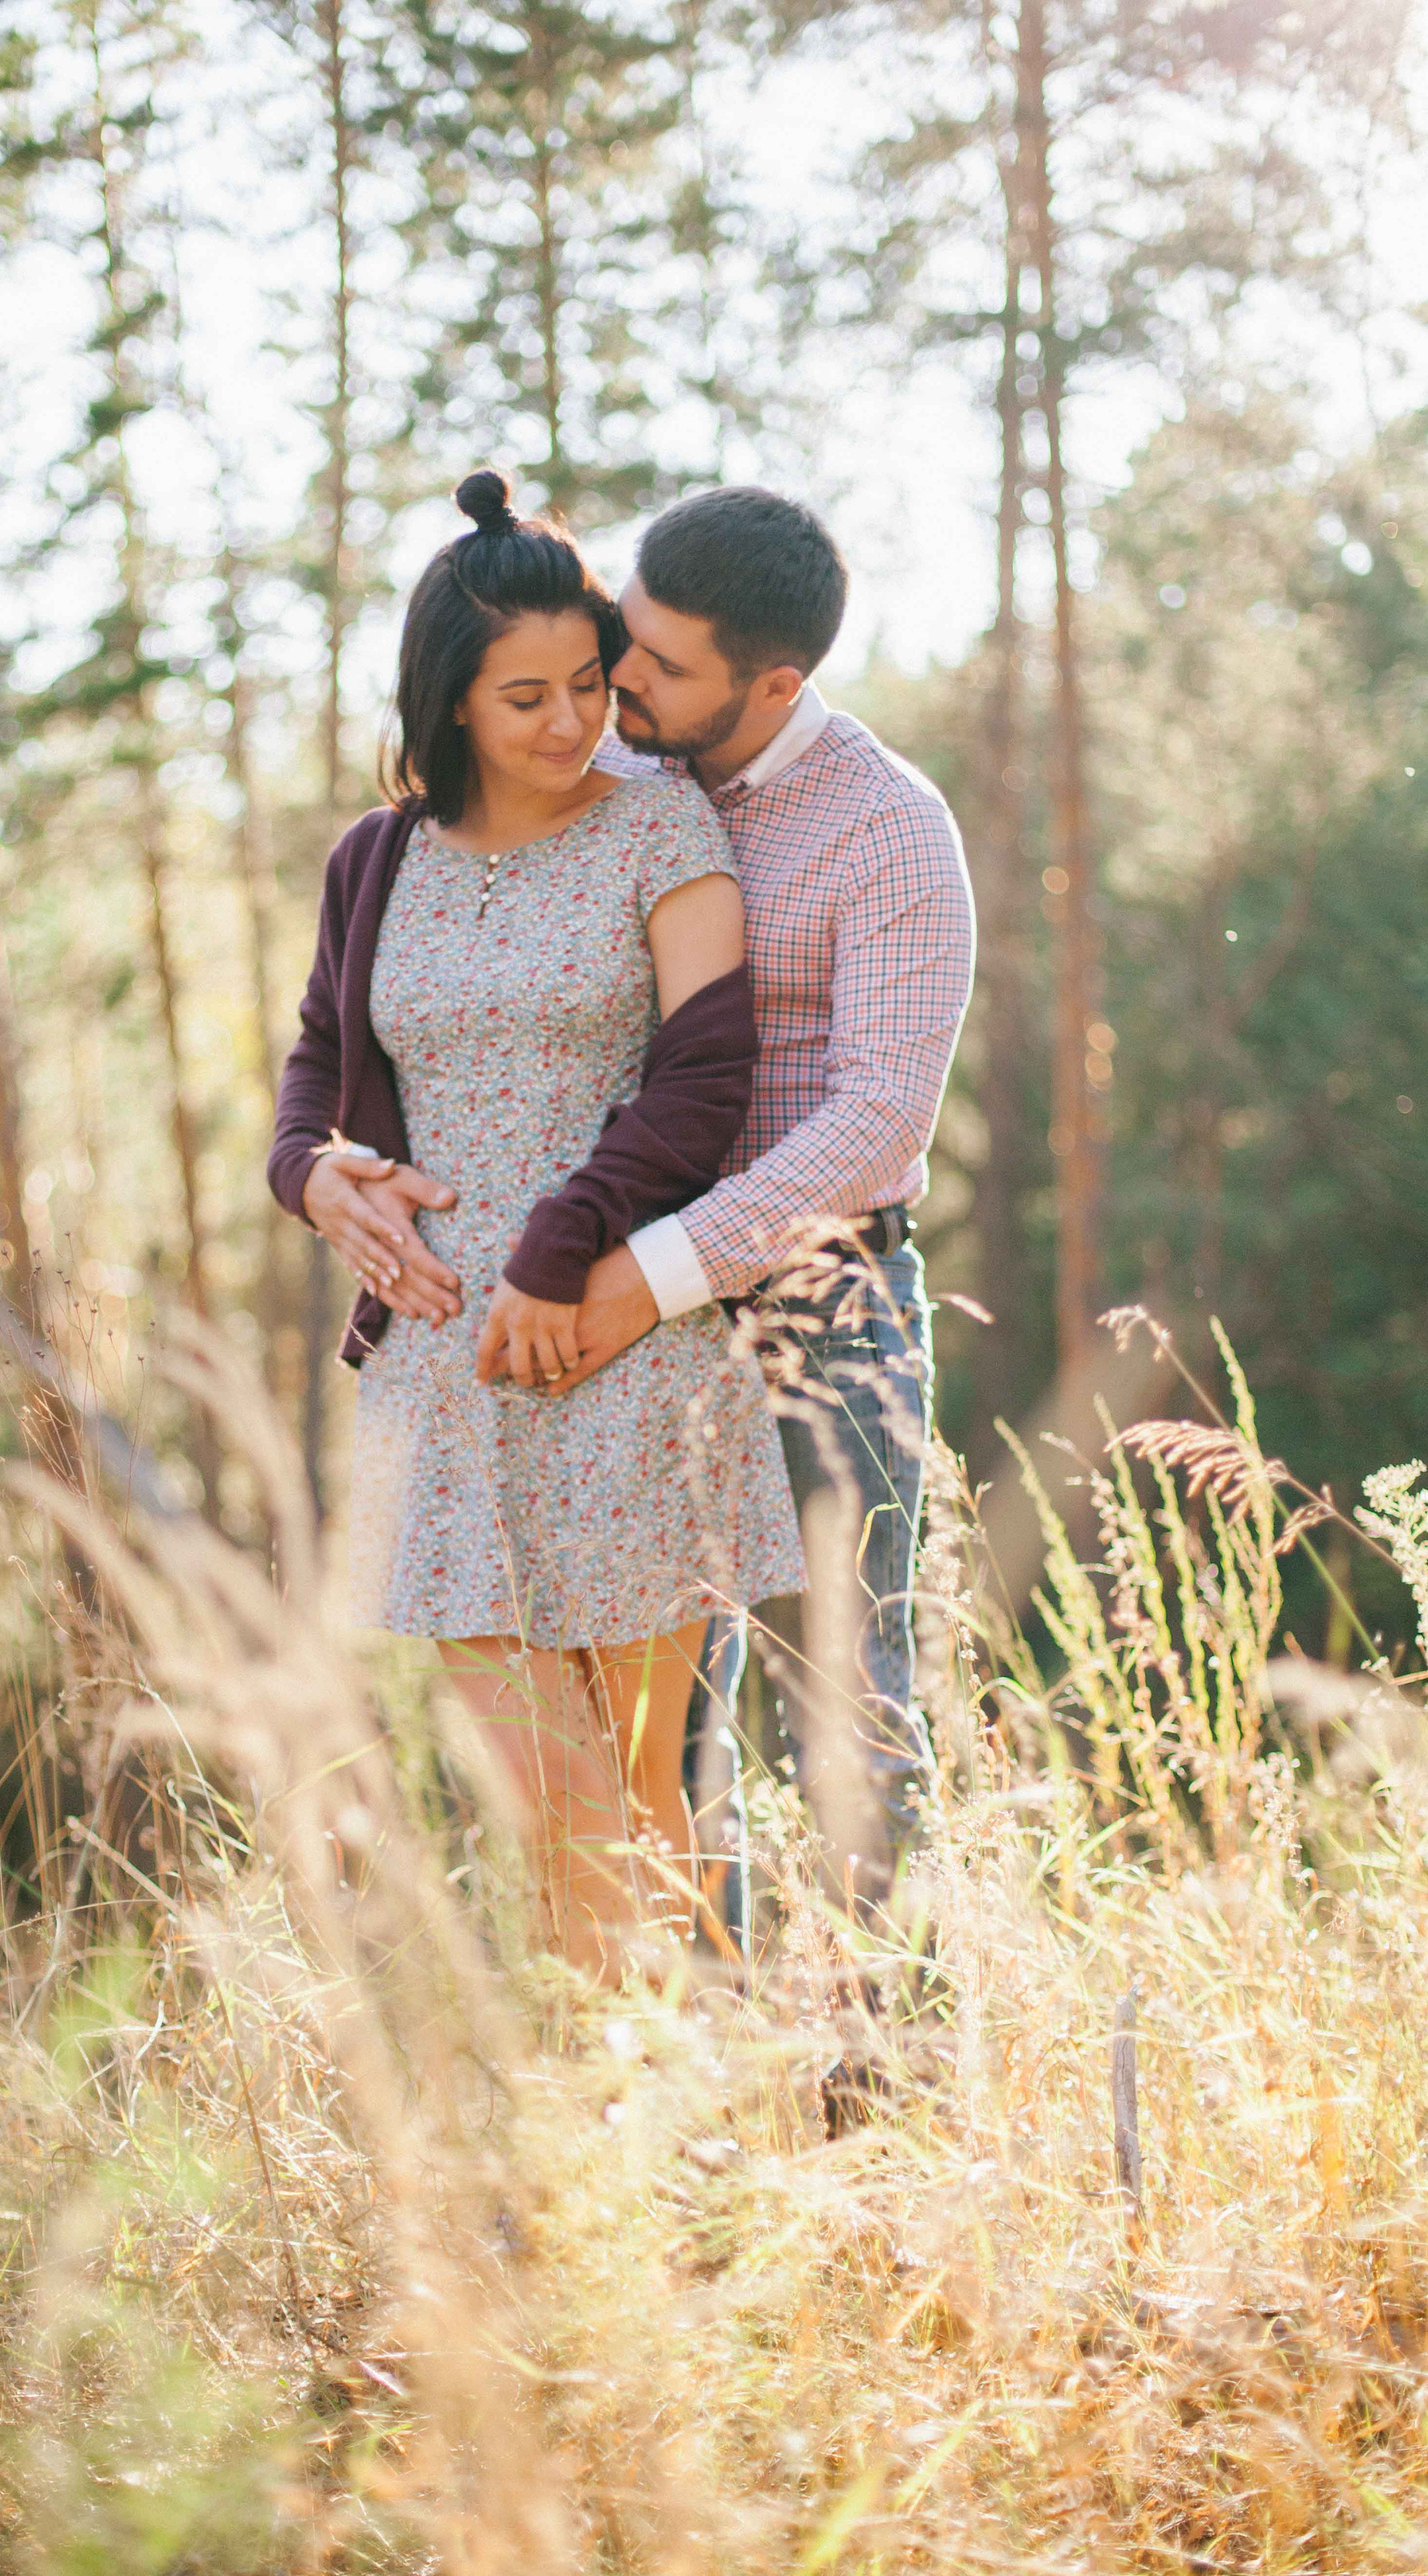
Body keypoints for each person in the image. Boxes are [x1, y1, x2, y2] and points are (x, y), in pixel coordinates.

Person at [363, 486, 977, 1916]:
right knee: (654, 1720)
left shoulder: (887, 832)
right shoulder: (612, 786)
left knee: (853, 1697)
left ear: (776, 683)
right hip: (608, 1298)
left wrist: (661, 1268)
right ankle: (706, 2068)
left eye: (660, 666)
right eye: (620, 640)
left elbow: (878, 1113)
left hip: (819, 1304)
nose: (617, 683)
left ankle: (871, 2082)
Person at [269, 471, 804, 1978]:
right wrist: (306, 1172)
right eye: (526, 697)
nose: (571, 721)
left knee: (635, 1793)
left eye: (588, 682)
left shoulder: (660, 827)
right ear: (447, 702)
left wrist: (558, 1244)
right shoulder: (374, 862)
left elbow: (707, 1079)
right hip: (442, 1382)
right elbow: (317, 1061)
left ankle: (693, 2148)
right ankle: (635, 2133)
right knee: (545, 1802)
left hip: (618, 1346)